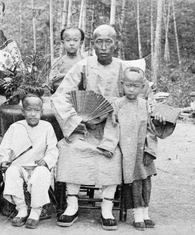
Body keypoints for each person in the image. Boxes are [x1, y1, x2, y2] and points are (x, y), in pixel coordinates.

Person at [51, 24, 145, 231]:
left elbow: (141, 95)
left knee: (115, 154)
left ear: (116, 44)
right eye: (99, 42)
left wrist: (116, 114)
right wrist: (78, 119)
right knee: (69, 150)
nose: (103, 47)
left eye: (108, 42)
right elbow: (60, 96)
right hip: (83, 128)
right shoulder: (83, 66)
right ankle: (72, 204)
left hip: (114, 128)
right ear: (92, 44)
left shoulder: (124, 68)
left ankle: (107, 206)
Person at [101, 67, 176, 231]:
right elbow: (111, 127)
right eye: (128, 85)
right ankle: (137, 213)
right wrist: (109, 146)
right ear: (122, 85)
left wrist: (150, 150)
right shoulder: (117, 105)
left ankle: (146, 212)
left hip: (143, 149)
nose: (131, 89)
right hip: (127, 151)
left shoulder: (145, 106)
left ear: (142, 87)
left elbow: (151, 130)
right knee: (134, 182)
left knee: (146, 181)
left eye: (136, 86)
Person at [0, 94, 58, 229]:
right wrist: (4, 161)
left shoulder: (47, 127)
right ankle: (22, 209)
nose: (33, 114)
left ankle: (35, 212)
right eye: (29, 110)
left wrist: (46, 161)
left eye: (37, 111)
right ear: (23, 112)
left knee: (41, 173)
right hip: (19, 166)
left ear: (42, 112)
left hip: (38, 166)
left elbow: (53, 149)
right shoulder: (15, 127)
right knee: (12, 172)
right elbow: (5, 148)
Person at [49, 27, 85, 93]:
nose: (71, 43)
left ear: (81, 43)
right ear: (63, 42)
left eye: (75, 40)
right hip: (61, 96)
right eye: (68, 40)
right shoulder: (57, 62)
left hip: (80, 97)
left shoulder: (84, 61)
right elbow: (53, 82)